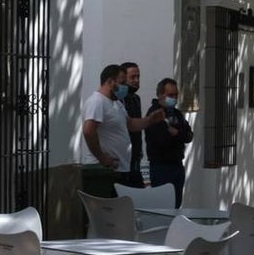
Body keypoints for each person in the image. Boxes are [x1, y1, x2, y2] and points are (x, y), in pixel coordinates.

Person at [81, 63, 166, 196]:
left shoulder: (116, 103)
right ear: (110, 81)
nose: (125, 87)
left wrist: (149, 120)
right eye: (122, 83)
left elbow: (130, 124)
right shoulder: (97, 102)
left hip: (121, 170)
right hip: (104, 171)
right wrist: (102, 158)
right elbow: (88, 130)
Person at [144, 77, 194, 207]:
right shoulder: (154, 114)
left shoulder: (177, 114)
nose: (174, 98)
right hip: (161, 167)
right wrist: (178, 135)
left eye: (176, 95)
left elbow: (189, 135)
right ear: (160, 95)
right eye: (170, 95)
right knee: (163, 207)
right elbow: (163, 140)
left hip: (177, 165)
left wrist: (176, 133)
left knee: (176, 205)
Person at [120, 61, 145, 187]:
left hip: (135, 158)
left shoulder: (136, 99)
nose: (136, 80)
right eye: (133, 77)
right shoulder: (118, 100)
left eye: (138, 77)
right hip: (121, 160)